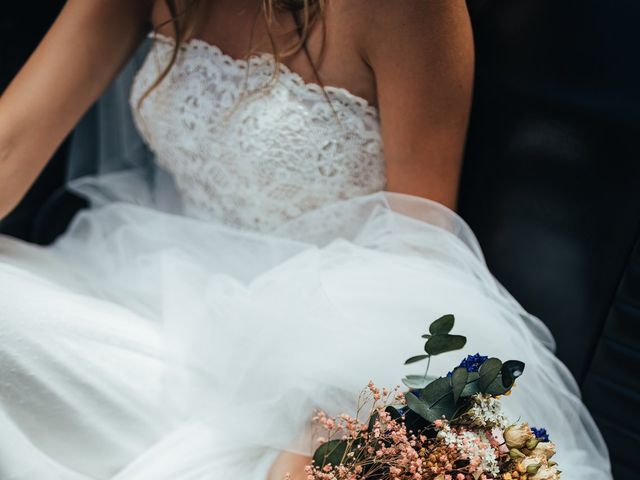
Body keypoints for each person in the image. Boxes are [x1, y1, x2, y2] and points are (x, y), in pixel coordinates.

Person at [0, 1, 612, 478]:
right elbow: (12, 142)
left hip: (308, 360)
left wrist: (332, 426)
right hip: (147, 293)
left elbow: (422, 253)